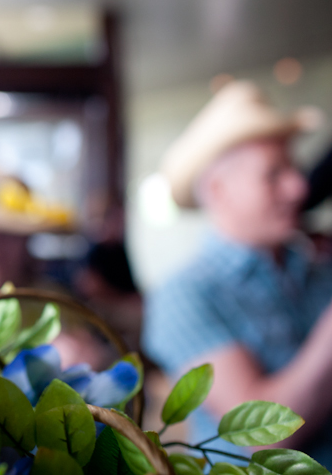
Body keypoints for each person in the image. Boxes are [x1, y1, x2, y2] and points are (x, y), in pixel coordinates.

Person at [142, 81, 332, 465]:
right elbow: (266, 437)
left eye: (294, 168)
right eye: (273, 174)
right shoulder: (185, 294)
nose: (298, 187)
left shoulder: (314, 266)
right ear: (219, 189)